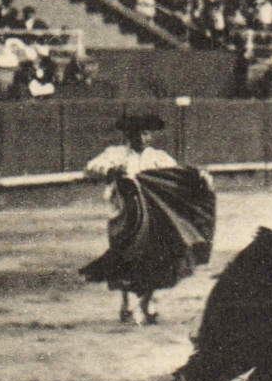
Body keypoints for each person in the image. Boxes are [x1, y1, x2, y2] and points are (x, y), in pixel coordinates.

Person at [82, 112, 193, 324]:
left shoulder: (159, 158)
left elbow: (177, 178)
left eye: (146, 133)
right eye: (137, 134)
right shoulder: (115, 154)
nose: (142, 138)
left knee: (153, 258)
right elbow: (90, 168)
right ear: (128, 135)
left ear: (151, 135)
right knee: (125, 258)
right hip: (123, 214)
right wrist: (111, 170)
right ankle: (128, 301)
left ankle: (147, 302)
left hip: (152, 216)